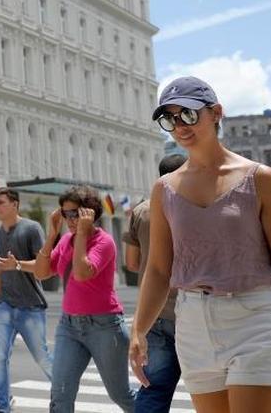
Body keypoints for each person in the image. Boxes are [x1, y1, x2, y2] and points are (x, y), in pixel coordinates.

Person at [130, 76, 271, 413]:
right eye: (169, 119)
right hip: (194, 326)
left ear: (216, 113)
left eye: (187, 114)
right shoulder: (164, 190)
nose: (179, 126)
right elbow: (159, 269)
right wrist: (139, 329)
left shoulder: (260, 179)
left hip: (256, 319)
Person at [35, 184, 135, 413]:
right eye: (65, 214)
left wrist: (81, 233)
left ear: (89, 213)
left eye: (75, 214)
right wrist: (52, 235)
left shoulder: (104, 242)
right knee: (60, 395)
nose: (69, 219)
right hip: (69, 326)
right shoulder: (65, 240)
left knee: (121, 395)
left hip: (105, 327)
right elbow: (42, 272)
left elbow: (81, 273)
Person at [123, 152, 186, 413]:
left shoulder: (141, 210)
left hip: (154, 311)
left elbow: (132, 263)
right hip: (193, 308)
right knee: (212, 389)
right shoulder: (197, 204)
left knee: (154, 388)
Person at [0, 187, 53, 413]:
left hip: (30, 307)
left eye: (1, 203)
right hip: (4, 306)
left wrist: (17, 264)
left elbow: (45, 267)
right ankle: (2, 406)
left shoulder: (31, 229)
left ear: (15, 204)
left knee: (43, 358)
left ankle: (63, 398)